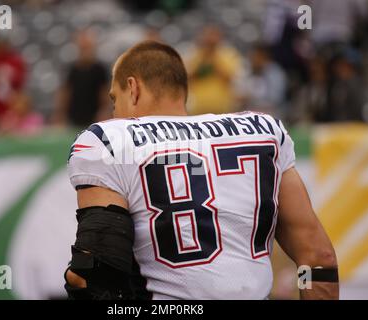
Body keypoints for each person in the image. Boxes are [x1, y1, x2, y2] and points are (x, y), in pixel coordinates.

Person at [64, 41, 339, 300]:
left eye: (115, 100)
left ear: (133, 89)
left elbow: (94, 275)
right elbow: (319, 258)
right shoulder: (263, 131)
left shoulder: (112, 139)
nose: (114, 114)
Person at [52, 29, 110, 128]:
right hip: (74, 118)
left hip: (94, 118)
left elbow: (104, 92)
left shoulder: (99, 69)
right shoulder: (73, 69)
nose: (85, 50)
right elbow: (66, 92)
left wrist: (104, 111)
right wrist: (60, 113)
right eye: (82, 48)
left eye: (87, 47)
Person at [186, 25, 242, 115]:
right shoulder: (194, 54)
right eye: (208, 35)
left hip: (222, 108)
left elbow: (229, 79)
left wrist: (214, 58)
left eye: (214, 35)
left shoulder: (228, 54)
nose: (210, 39)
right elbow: (188, 77)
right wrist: (203, 60)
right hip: (197, 108)